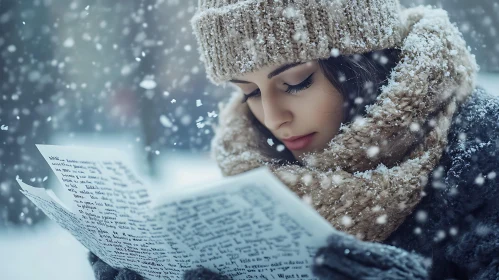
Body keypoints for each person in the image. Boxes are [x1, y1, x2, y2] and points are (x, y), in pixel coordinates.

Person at [89, 0, 499, 279]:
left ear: (364, 64)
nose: (271, 118)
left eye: (296, 81)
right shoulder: (254, 175)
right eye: (249, 92)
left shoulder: (483, 149)